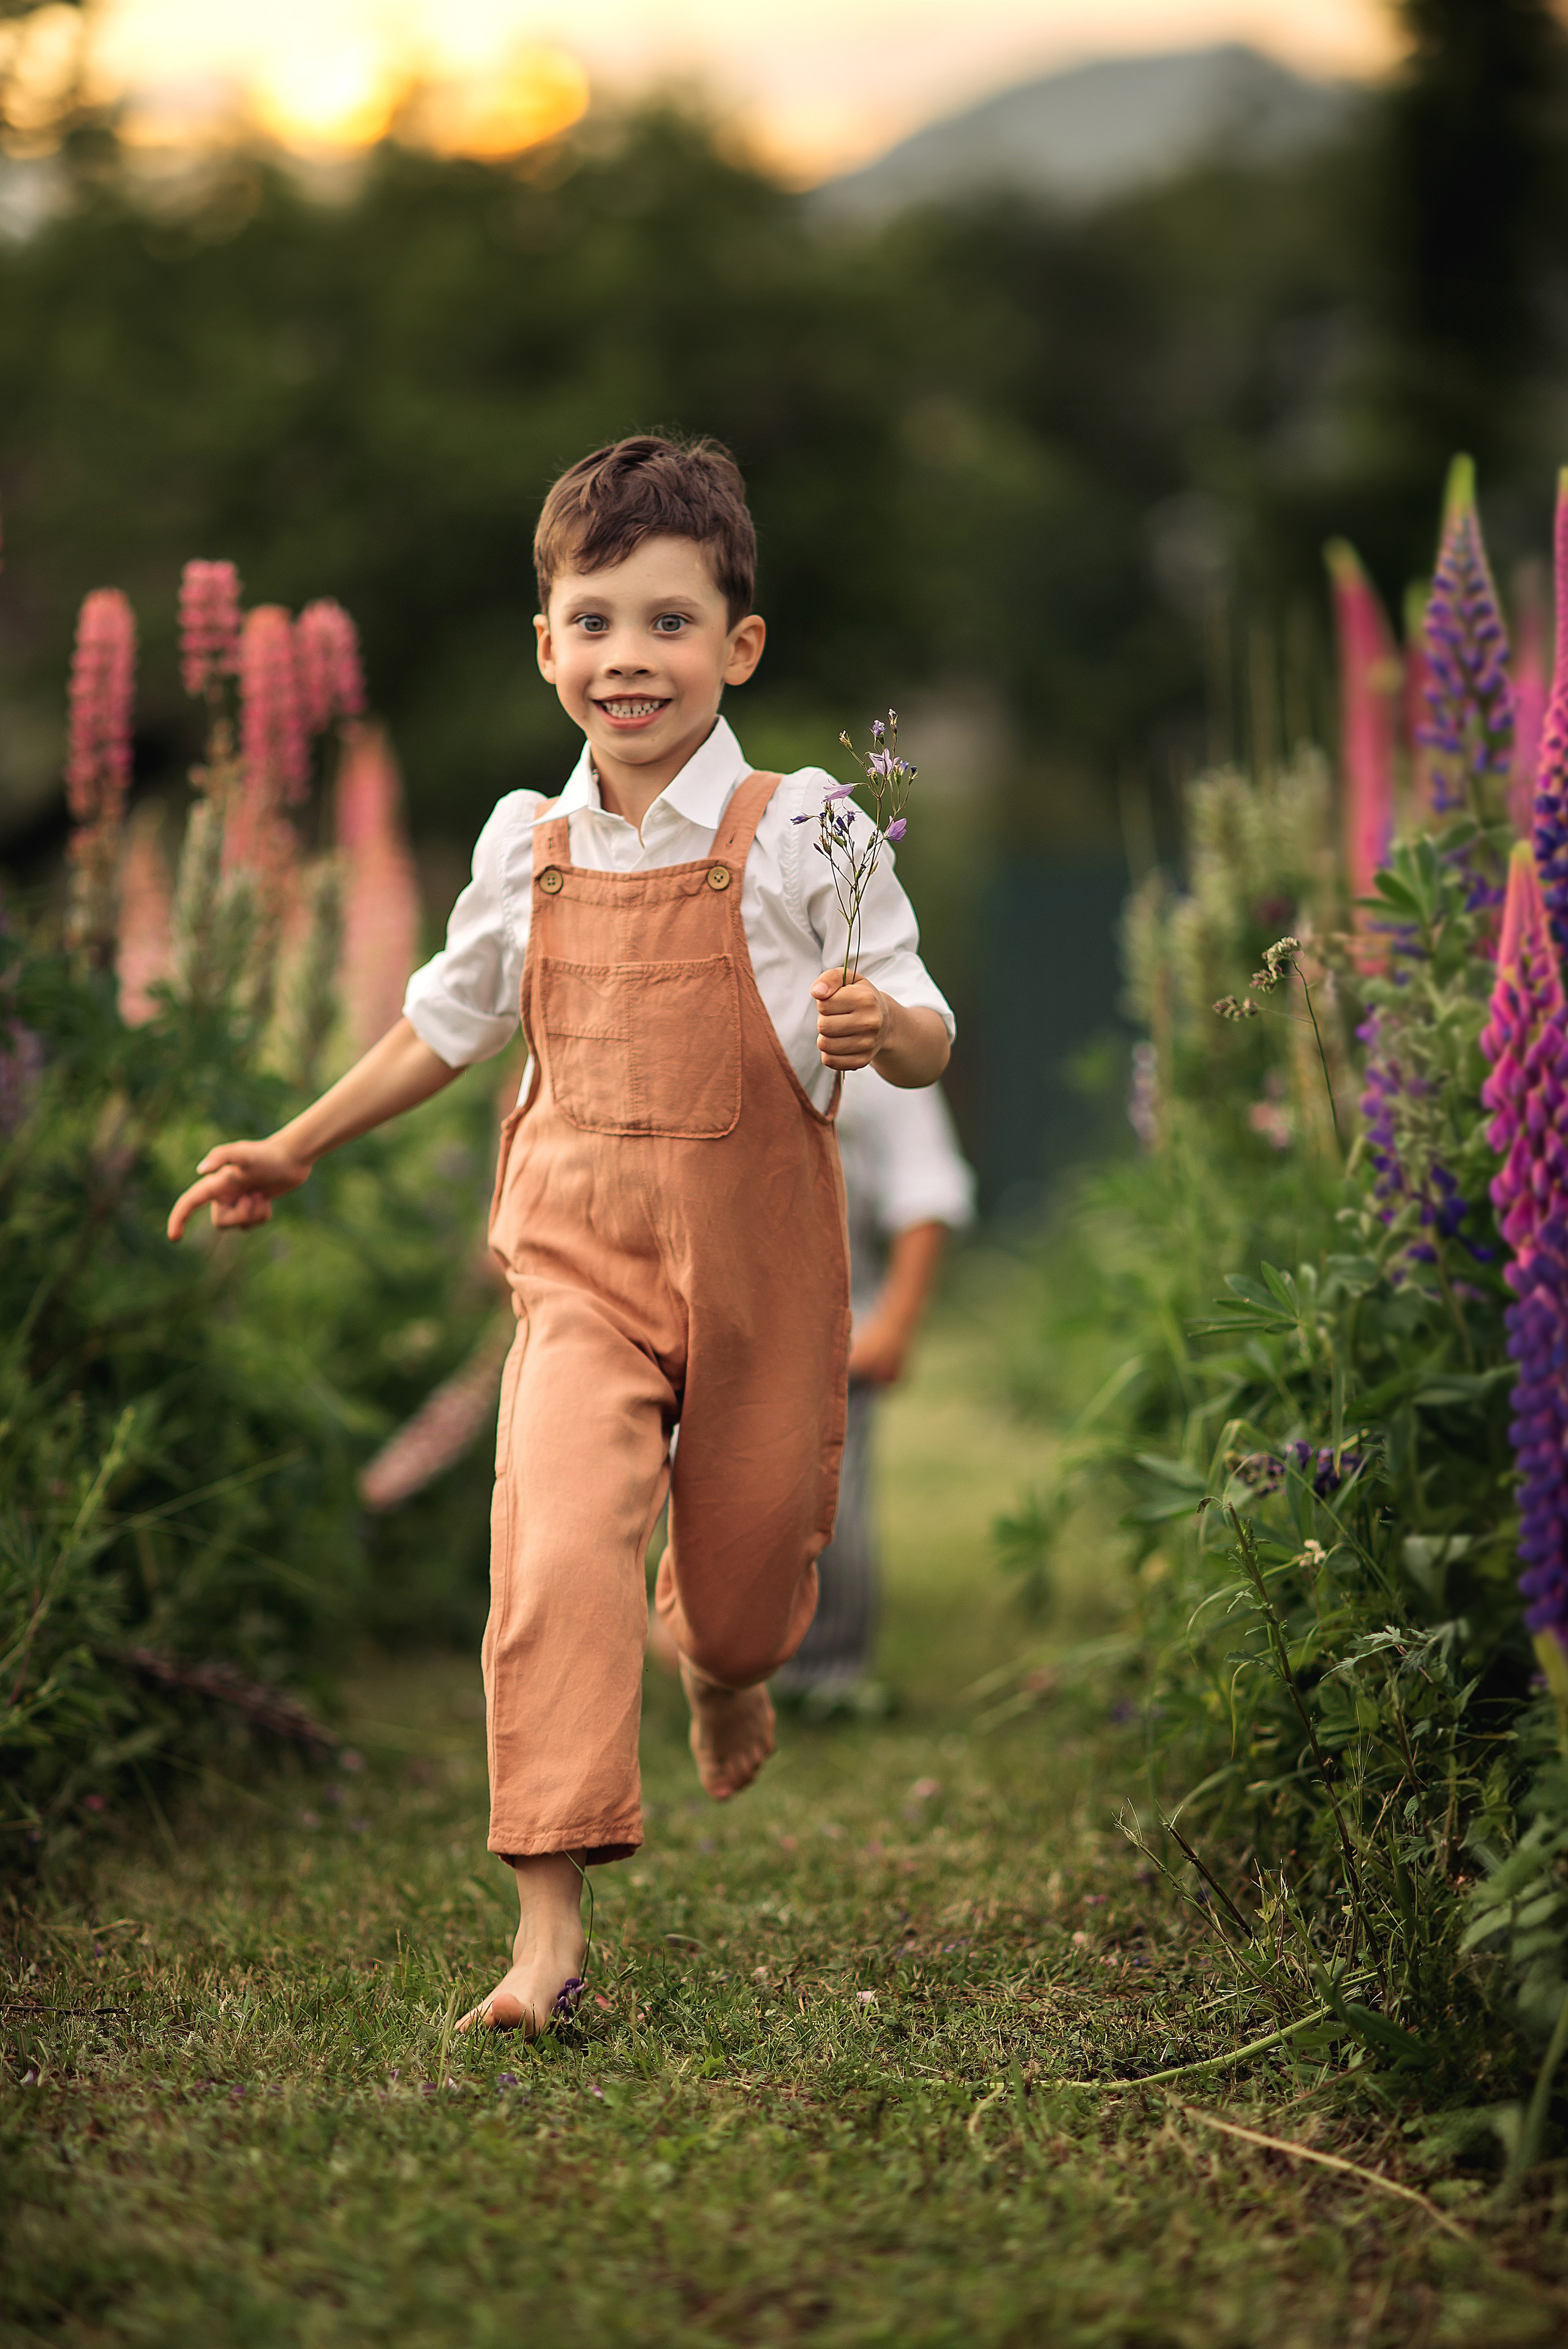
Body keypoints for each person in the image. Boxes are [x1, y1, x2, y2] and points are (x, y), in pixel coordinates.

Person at [167, 435, 954, 2035]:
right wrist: (296, 1144)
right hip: (576, 1262)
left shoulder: (809, 825)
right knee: (551, 1553)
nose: (627, 658)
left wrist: (890, 1030)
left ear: (737, 646)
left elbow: (931, 1013)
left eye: (669, 623)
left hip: (757, 1272)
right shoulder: (527, 844)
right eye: (593, 622)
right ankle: (548, 1932)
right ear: (548, 645)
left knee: (739, 1590)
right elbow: (439, 1027)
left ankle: (722, 1663)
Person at [770, 1069, 973, 1711]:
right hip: (708, 1318)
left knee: (829, 1508)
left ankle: (824, 1675)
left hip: (838, 1324)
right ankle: (711, 1656)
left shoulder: (871, 1034)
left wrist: (897, 1320)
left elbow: (926, 1188)